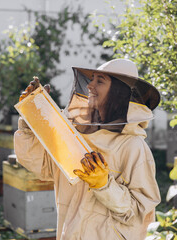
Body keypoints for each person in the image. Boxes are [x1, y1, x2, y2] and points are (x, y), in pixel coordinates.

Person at [14, 59, 161, 240]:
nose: (90, 85)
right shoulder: (75, 135)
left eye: (100, 81)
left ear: (118, 93)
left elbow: (139, 212)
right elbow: (41, 165)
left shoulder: (133, 147)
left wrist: (104, 186)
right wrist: (32, 117)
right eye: (92, 79)